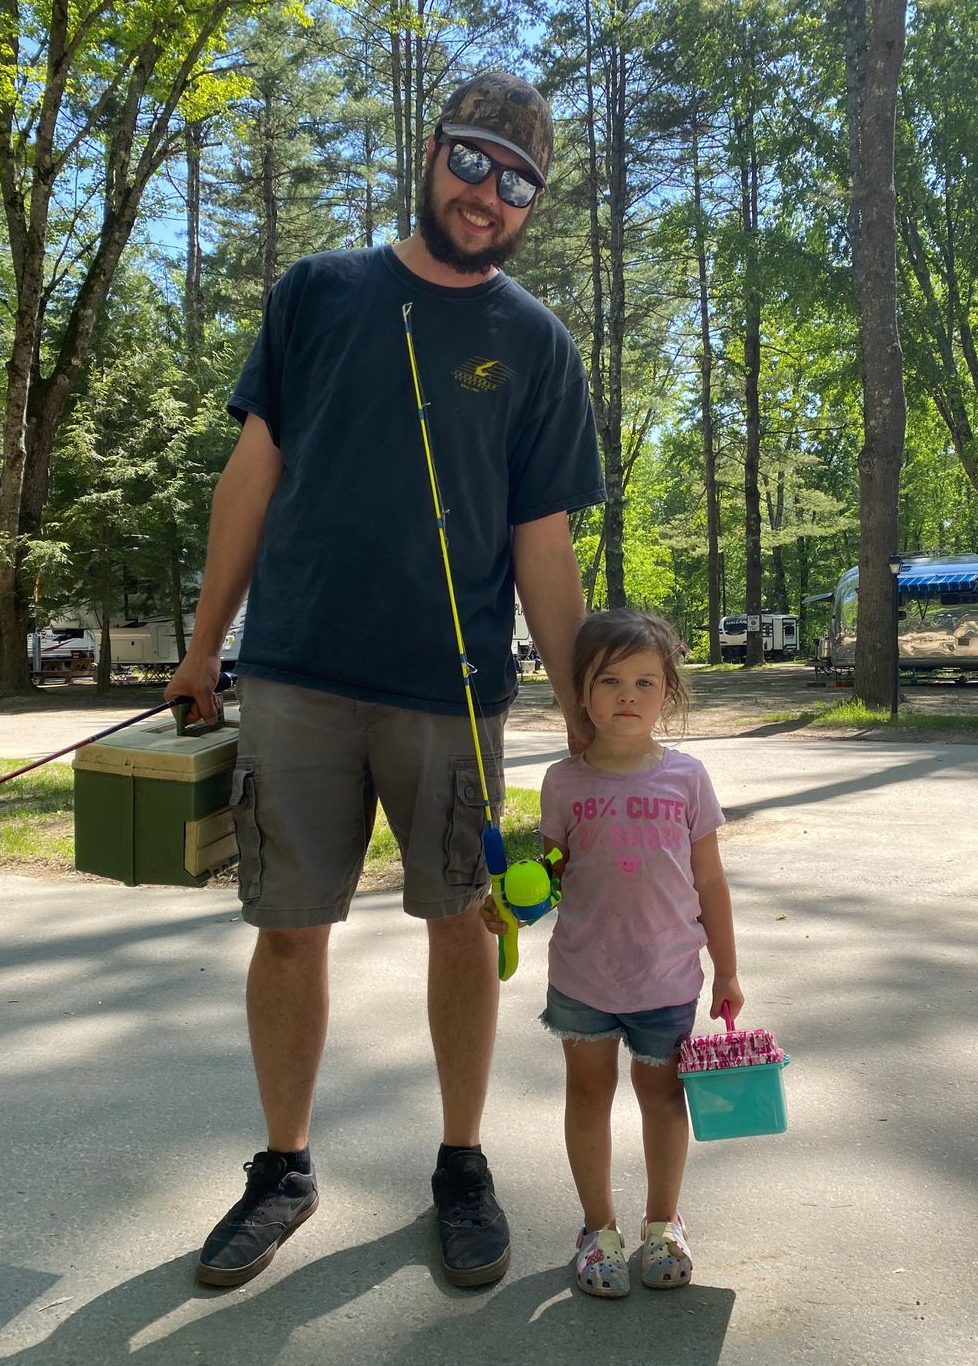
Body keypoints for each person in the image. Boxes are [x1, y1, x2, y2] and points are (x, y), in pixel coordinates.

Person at [165, 69, 605, 1292]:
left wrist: (580, 713)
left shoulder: (536, 344)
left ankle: (461, 1165)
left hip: (450, 693)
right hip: (298, 674)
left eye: (518, 183)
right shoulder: (318, 292)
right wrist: (205, 645)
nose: (489, 195)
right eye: (473, 161)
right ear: (433, 149)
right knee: (289, 934)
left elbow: (545, 549)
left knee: (462, 927)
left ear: (532, 205)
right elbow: (249, 478)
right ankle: (283, 1168)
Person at [484, 609, 741, 1296]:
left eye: (646, 682)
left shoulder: (688, 779)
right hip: (584, 979)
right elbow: (555, 877)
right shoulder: (563, 783)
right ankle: (597, 1231)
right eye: (610, 681)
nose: (628, 696)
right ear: (581, 694)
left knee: (661, 1100)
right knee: (589, 1094)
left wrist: (729, 970)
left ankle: (663, 1227)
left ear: (668, 694)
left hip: (667, 977)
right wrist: (513, 904)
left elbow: (710, 881)